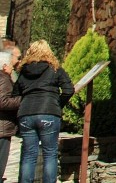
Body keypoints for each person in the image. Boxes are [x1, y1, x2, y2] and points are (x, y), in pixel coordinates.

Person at [14, 41, 73, 183]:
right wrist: (57, 104)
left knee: (29, 154)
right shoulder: (55, 69)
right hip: (49, 112)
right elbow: (69, 90)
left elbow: (16, 93)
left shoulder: (23, 71)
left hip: (26, 113)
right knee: (50, 153)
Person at [0, 48, 21, 183]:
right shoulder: (4, 79)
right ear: (4, 65)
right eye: (10, 65)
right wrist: (22, 99)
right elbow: (3, 102)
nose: (12, 68)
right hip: (2, 127)